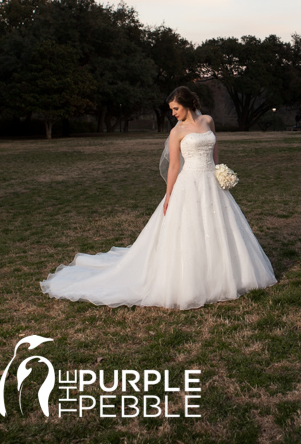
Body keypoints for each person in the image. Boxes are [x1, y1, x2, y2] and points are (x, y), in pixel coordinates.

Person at [40, 86, 277, 310]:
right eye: (171, 110)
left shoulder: (208, 121)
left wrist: (218, 170)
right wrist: (168, 195)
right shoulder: (177, 131)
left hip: (211, 182)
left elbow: (214, 147)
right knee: (190, 231)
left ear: (188, 104)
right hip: (189, 183)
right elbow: (174, 167)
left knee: (220, 228)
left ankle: (224, 275)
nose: (173, 113)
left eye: (176, 108)